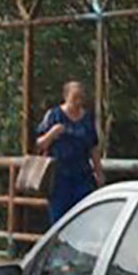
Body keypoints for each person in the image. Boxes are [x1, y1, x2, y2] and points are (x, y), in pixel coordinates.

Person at [33, 81, 102, 223]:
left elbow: (93, 148)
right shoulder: (54, 115)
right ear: (66, 97)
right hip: (59, 177)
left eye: (80, 98)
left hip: (82, 175)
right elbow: (39, 144)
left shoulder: (87, 119)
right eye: (74, 98)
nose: (77, 102)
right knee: (59, 219)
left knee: (83, 217)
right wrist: (52, 133)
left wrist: (99, 172)